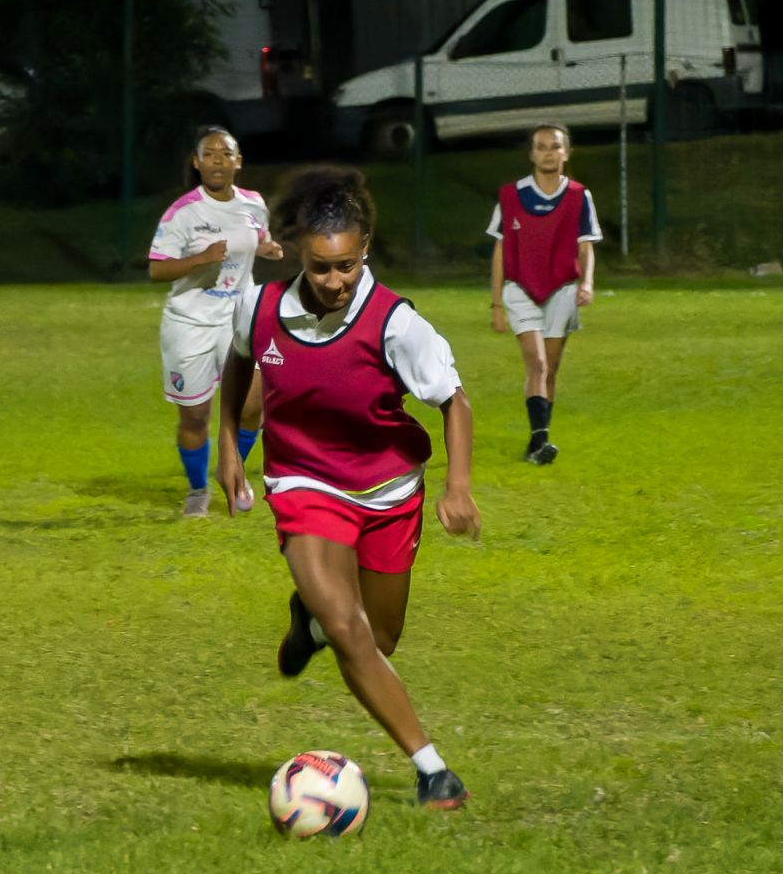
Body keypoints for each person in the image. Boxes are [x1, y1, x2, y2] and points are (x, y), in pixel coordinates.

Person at [215, 166, 478, 810]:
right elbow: (239, 363)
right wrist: (230, 448)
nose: (334, 281)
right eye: (320, 266)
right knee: (348, 626)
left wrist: (458, 487)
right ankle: (432, 769)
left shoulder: (396, 325)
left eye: (347, 267)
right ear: (300, 253)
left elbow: (454, 402)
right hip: (304, 482)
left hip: (389, 490)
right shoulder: (262, 307)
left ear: (364, 253)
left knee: (378, 639)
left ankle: (307, 617)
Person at [148, 125, 283, 517]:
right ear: (197, 163)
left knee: (253, 404)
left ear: (238, 162)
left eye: (226, 153)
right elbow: (157, 270)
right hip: (190, 324)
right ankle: (196, 490)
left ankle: (235, 475)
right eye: (209, 154)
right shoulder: (183, 213)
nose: (218, 160)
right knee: (195, 416)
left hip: (238, 320)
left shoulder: (254, 204)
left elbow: (257, 237)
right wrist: (200, 260)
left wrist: (267, 248)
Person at [487, 123, 601, 464]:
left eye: (555, 146)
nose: (548, 152)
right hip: (520, 288)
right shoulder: (510, 196)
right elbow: (499, 251)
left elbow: (586, 247)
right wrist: (495, 303)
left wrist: (588, 283)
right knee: (536, 363)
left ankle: (538, 440)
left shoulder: (580, 196)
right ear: (531, 154)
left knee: (550, 368)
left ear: (566, 153)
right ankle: (539, 442)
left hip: (562, 289)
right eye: (541, 147)